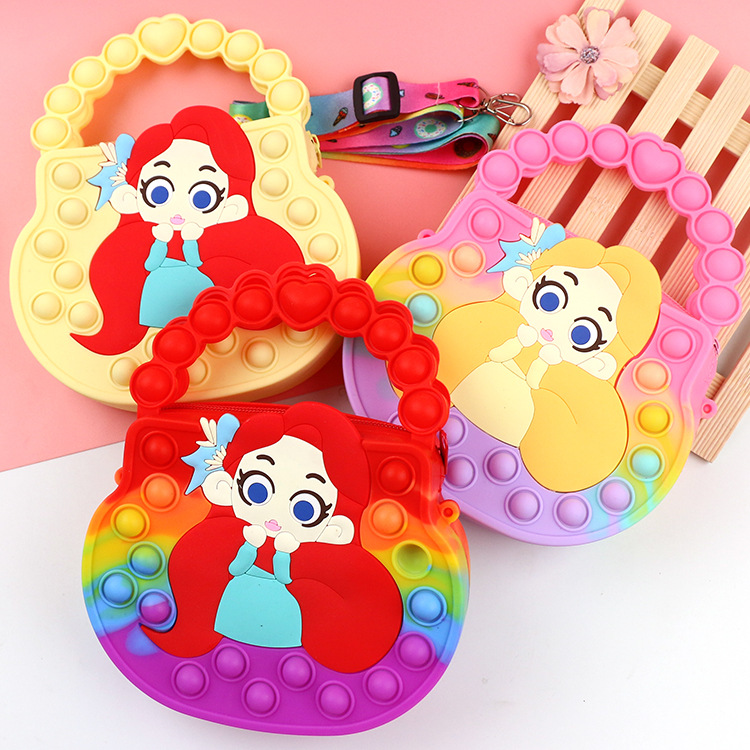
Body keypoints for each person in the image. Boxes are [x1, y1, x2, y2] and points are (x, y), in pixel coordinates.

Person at [145, 402, 403, 674]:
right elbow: (236, 568)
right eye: (257, 490)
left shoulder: (316, 582)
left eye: (305, 509)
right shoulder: (215, 550)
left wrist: (280, 554)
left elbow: (283, 576)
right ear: (225, 486)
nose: (274, 518)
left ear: (336, 528)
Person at [433, 235, 662, 492]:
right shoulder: (481, 330)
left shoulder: (570, 404)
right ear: (521, 284)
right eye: (550, 299)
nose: (553, 329)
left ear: (600, 363)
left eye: (582, 334)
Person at [75, 105, 302, 355]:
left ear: (232, 206)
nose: (178, 210)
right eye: (158, 192)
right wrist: (160, 242)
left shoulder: (232, 253)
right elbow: (150, 264)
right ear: (131, 197)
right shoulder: (131, 252)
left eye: (203, 197)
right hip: (162, 292)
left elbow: (194, 261)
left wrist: (191, 242)